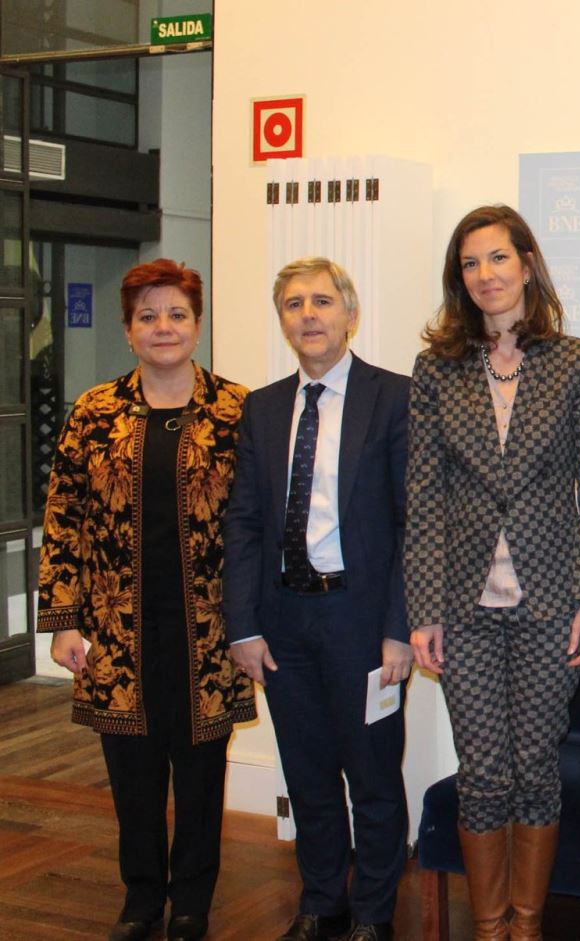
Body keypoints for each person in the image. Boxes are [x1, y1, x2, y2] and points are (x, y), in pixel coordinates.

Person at [407, 204, 580, 941]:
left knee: (536, 770)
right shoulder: (437, 369)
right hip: (463, 608)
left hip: (553, 599)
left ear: (527, 262)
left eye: (498, 258)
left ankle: (527, 925)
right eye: (470, 263)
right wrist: (423, 609)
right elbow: (424, 493)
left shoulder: (577, 361)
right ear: (458, 279)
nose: (485, 275)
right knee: (483, 771)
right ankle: (488, 928)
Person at [37, 260, 254, 941]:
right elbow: (63, 516)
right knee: (132, 774)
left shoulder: (237, 411)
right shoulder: (95, 412)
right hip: (116, 631)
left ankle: (192, 900)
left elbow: (259, 524)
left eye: (177, 314)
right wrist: (63, 619)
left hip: (210, 630)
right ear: (130, 331)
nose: (164, 327)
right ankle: (140, 898)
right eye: (148, 316)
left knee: (199, 773)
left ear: (198, 323)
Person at [223, 257, 411, 941]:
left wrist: (399, 628)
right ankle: (322, 899)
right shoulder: (263, 407)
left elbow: (412, 524)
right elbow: (243, 519)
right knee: (306, 773)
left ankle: (373, 911)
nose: (308, 314)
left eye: (323, 301)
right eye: (294, 303)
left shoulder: (394, 398)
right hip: (284, 619)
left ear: (349, 314)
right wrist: (241, 622)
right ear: (283, 319)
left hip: (361, 619)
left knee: (372, 776)